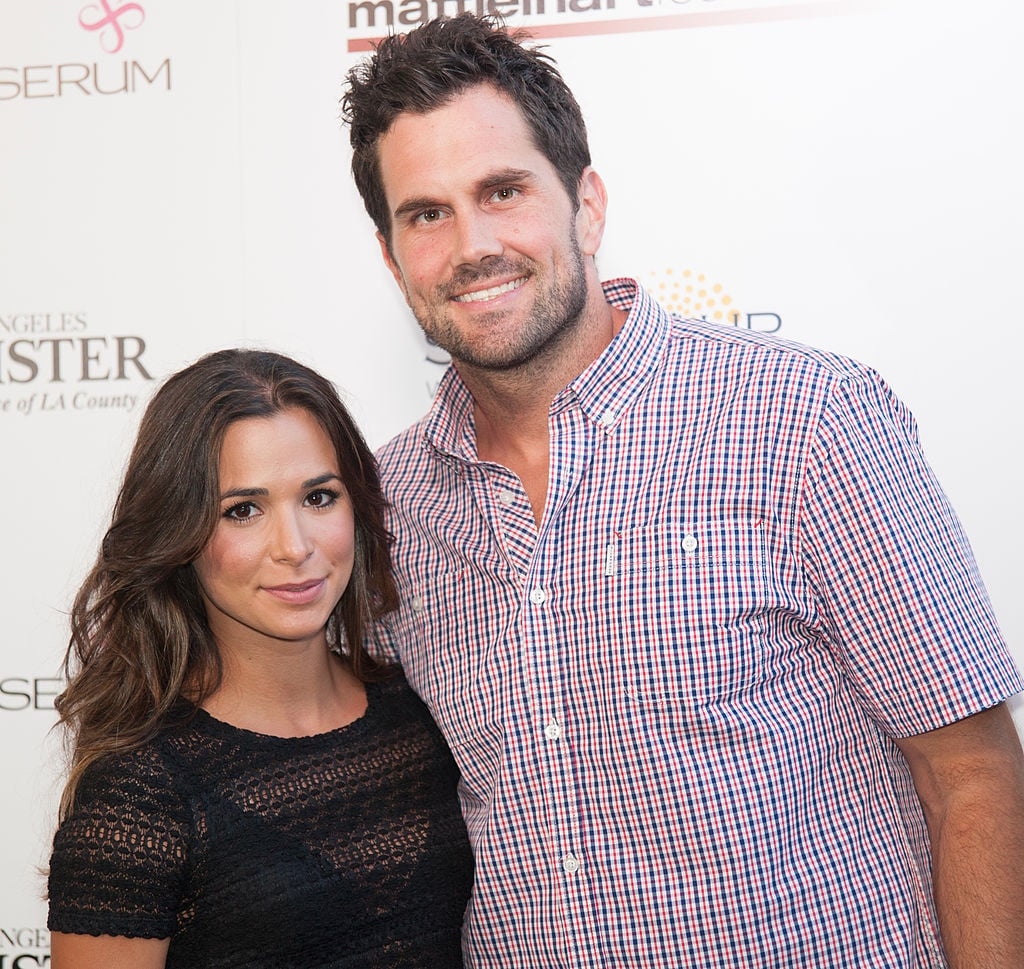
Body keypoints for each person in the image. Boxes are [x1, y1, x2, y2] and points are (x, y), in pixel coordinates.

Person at [341, 14, 1024, 968]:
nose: (473, 244)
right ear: (390, 255)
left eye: (504, 191)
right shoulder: (383, 505)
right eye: (427, 213)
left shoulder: (805, 417)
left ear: (586, 204)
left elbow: (974, 777)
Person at [46, 349, 473, 969]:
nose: (294, 547)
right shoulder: (139, 791)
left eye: (319, 498)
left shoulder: (421, 712)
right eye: (242, 510)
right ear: (179, 532)